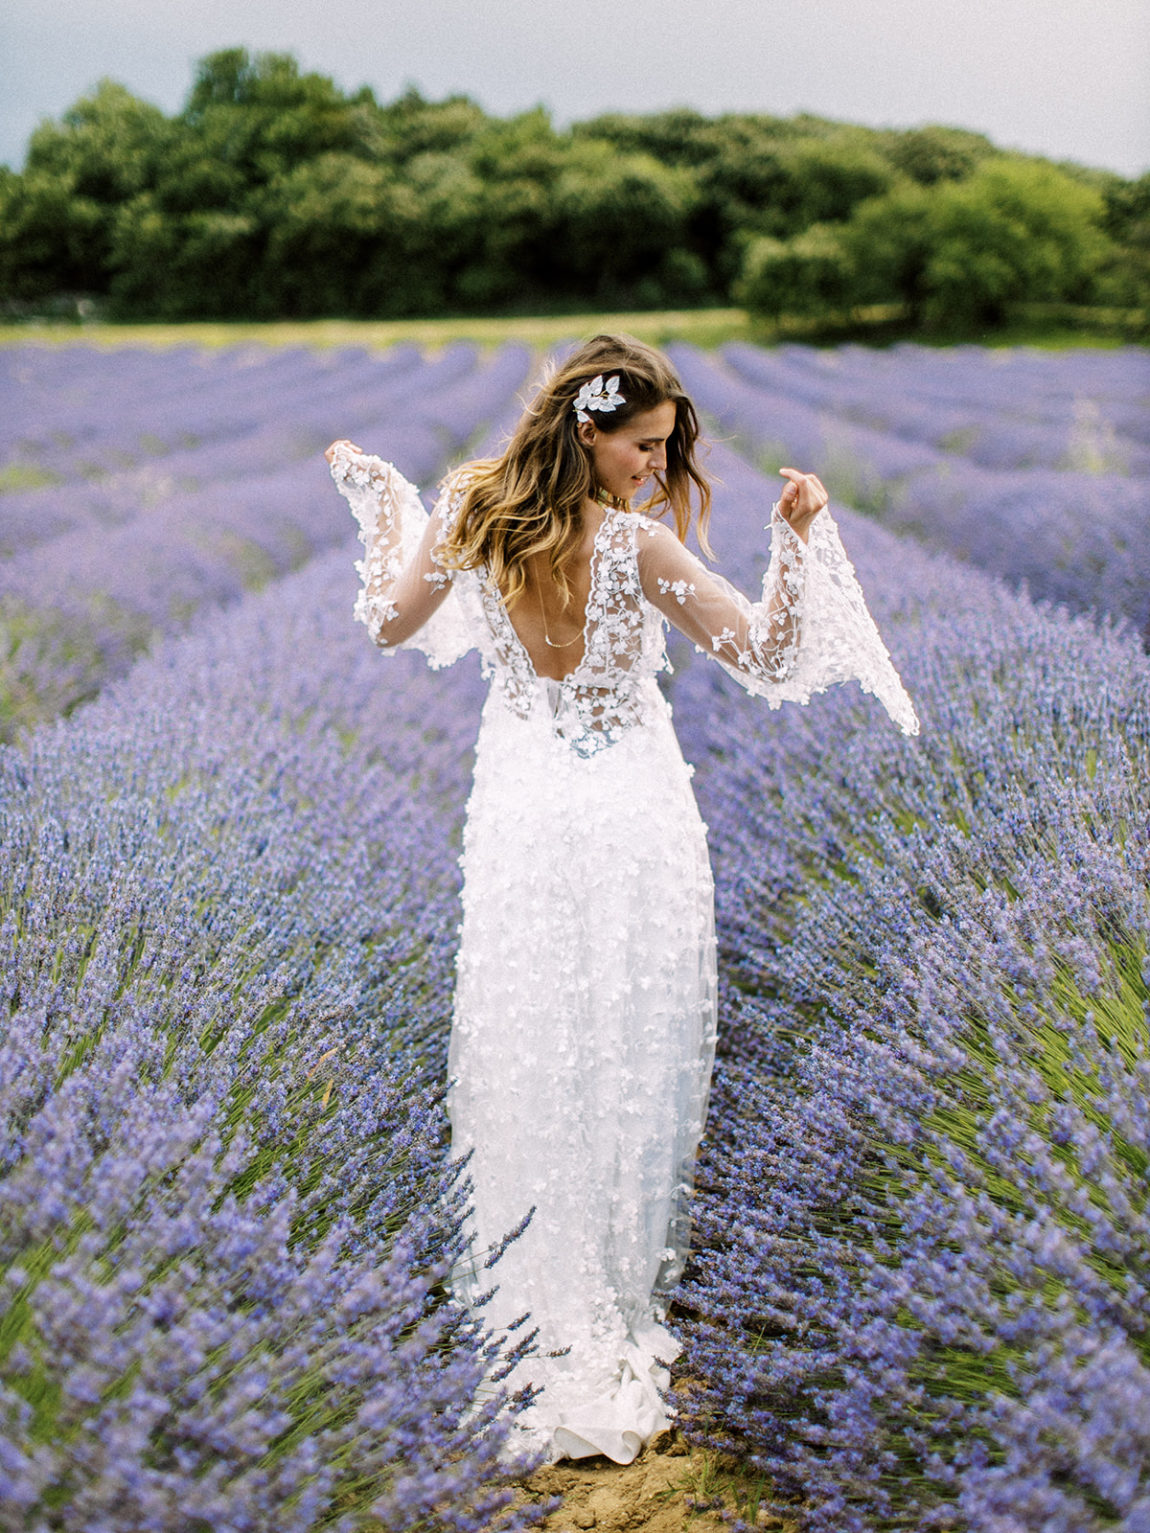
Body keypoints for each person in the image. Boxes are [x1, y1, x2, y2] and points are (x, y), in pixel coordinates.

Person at [326, 334, 917, 1468]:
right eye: (644, 446)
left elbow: (390, 623)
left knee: (529, 1041)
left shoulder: (470, 515)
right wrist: (798, 542)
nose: (656, 468)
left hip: (523, 816)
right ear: (587, 430)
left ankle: (534, 1292)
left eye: (664, 450)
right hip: (633, 820)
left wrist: (386, 503)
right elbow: (770, 657)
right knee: (622, 1045)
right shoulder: (636, 547)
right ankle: (600, 1288)